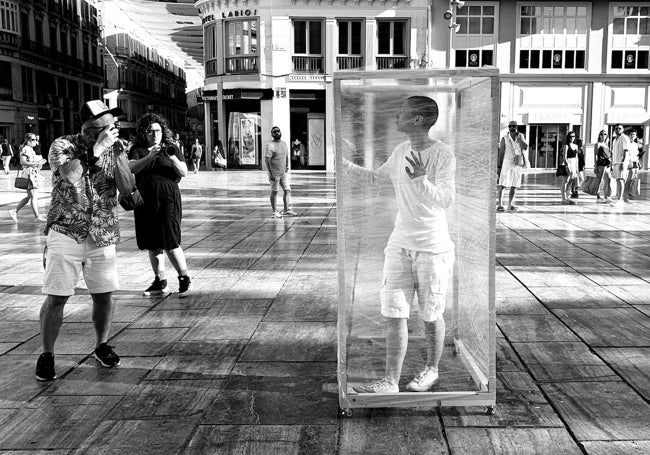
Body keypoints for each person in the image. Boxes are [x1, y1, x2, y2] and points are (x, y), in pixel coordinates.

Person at [346, 96, 455, 394]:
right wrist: (342, 166)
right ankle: (390, 381)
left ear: (418, 120)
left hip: (433, 249)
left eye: (403, 112)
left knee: (431, 315)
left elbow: (447, 199)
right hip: (399, 245)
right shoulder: (400, 150)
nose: (397, 115)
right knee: (393, 311)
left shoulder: (443, 155)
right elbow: (375, 179)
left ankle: (431, 369)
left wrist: (422, 180)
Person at [36, 100, 132, 381]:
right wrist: (97, 149)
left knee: (104, 295)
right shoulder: (62, 146)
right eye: (104, 128)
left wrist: (120, 157)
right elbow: (69, 177)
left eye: (111, 127)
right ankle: (47, 354)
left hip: (102, 232)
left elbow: (127, 189)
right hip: (66, 230)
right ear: (89, 128)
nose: (110, 131)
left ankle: (102, 345)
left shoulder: (115, 148)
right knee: (57, 296)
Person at [128, 113, 192, 298]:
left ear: (163, 131)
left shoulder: (172, 147)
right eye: (150, 131)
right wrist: (150, 156)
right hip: (145, 199)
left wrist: (171, 157)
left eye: (157, 131)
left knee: (170, 239)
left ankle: (184, 278)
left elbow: (184, 172)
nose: (155, 134)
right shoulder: (138, 149)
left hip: (168, 198)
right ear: (144, 133)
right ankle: (160, 281)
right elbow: (132, 168)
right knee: (152, 242)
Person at [9, 133, 47, 222]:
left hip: (33, 174)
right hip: (30, 175)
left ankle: (15, 211)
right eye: (33, 140)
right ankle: (37, 217)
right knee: (33, 195)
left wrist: (40, 162)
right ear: (28, 140)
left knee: (30, 196)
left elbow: (31, 161)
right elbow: (22, 162)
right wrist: (36, 163)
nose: (35, 141)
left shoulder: (30, 149)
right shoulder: (26, 149)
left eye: (36, 139)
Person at [264, 126, 297, 218]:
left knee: (287, 190)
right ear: (272, 134)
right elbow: (267, 160)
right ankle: (274, 211)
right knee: (274, 191)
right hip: (274, 173)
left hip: (283, 173)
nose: (277, 133)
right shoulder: (270, 145)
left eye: (278, 131)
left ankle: (286, 210)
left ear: (280, 132)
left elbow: (286, 156)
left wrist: (287, 166)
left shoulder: (284, 144)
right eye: (274, 132)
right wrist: (271, 173)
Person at [497, 120, 529, 211]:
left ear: (516, 127)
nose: (512, 127)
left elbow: (525, 147)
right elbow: (501, 152)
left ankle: (510, 204)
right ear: (508, 127)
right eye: (510, 126)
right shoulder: (505, 138)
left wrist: (520, 139)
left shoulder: (521, 136)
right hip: (507, 163)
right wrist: (499, 166)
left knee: (515, 185)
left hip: (517, 163)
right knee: (503, 184)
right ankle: (500, 204)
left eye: (514, 126)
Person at [610, 124, 630, 207]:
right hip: (615, 162)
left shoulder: (624, 138)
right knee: (617, 180)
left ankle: (620, 199)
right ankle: (618, 198)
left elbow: (626, 151)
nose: (618, 130)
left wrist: (622, 162)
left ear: (623, 129)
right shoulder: (615, 139)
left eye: (619, 128)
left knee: (621, 180)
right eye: (616, 128)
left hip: (622, 162)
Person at [559, 132, 579, 205]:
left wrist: (577, 167)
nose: (572, 138)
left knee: (571, 181)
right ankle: (563, 197)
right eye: (570, 136)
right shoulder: (566, 146)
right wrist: (567, 166)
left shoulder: (576, 146)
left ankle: (568, 196)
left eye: (573, 136)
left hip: (574, 163)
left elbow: (577, 157)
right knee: (566, 181)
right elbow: (564, 158)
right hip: (568, 163)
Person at [594, 130, 612, 203]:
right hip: (600, 164)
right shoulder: (597, 144)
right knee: (599, 180)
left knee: (608, 179)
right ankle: (598, 197)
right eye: (601, 134)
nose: (603, 135)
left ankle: (606, 196)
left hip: (607, 164)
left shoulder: (606, 144)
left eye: (604, 134)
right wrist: (596, 165)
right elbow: (595, 155)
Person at [625, 130, 642, 200]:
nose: (632, 136)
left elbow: (636, 155)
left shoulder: (635, 144)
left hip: (634, 162)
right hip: (628, 162)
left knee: (632, 179)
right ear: (629, 135)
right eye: (631, 134)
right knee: (628, 180)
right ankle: (625, 195)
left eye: (634, 134)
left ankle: (629, 193)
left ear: (636, 136)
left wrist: (638, 163)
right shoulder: (627, 144)